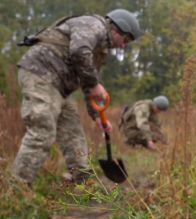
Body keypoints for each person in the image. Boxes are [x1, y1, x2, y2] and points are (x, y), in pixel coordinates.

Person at [12, 9, 141, 185]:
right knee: (42, 130)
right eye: (125, 40)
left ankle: (84, 181)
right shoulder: (93, 25)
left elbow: (89, 85)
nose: (122, 46)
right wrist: (95, 84)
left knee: (73, 133)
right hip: (40, 74)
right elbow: (79, 52)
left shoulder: (100, 50)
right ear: (117, 30)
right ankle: (18, 186)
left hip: (58, 88)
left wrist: (97, 117)